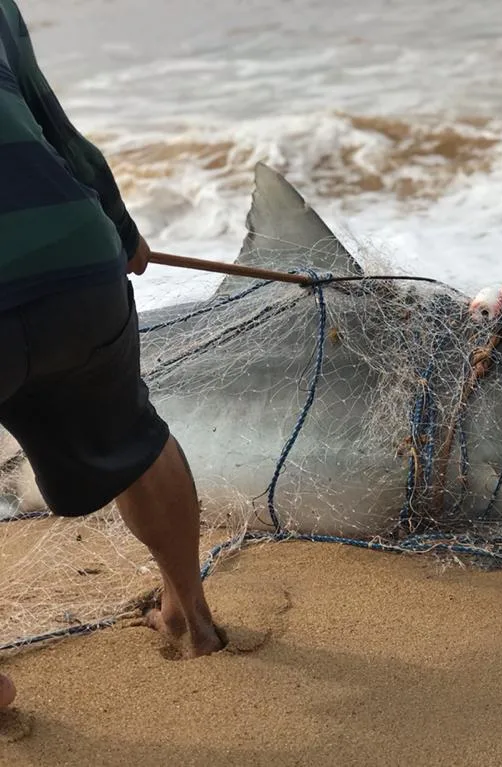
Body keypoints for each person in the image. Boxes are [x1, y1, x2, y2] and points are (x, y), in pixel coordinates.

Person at [0, 0, 223, 708]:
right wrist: (121, 230)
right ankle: (190, 612)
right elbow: (50, 122)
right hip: (77, 258)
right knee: (134, 435)